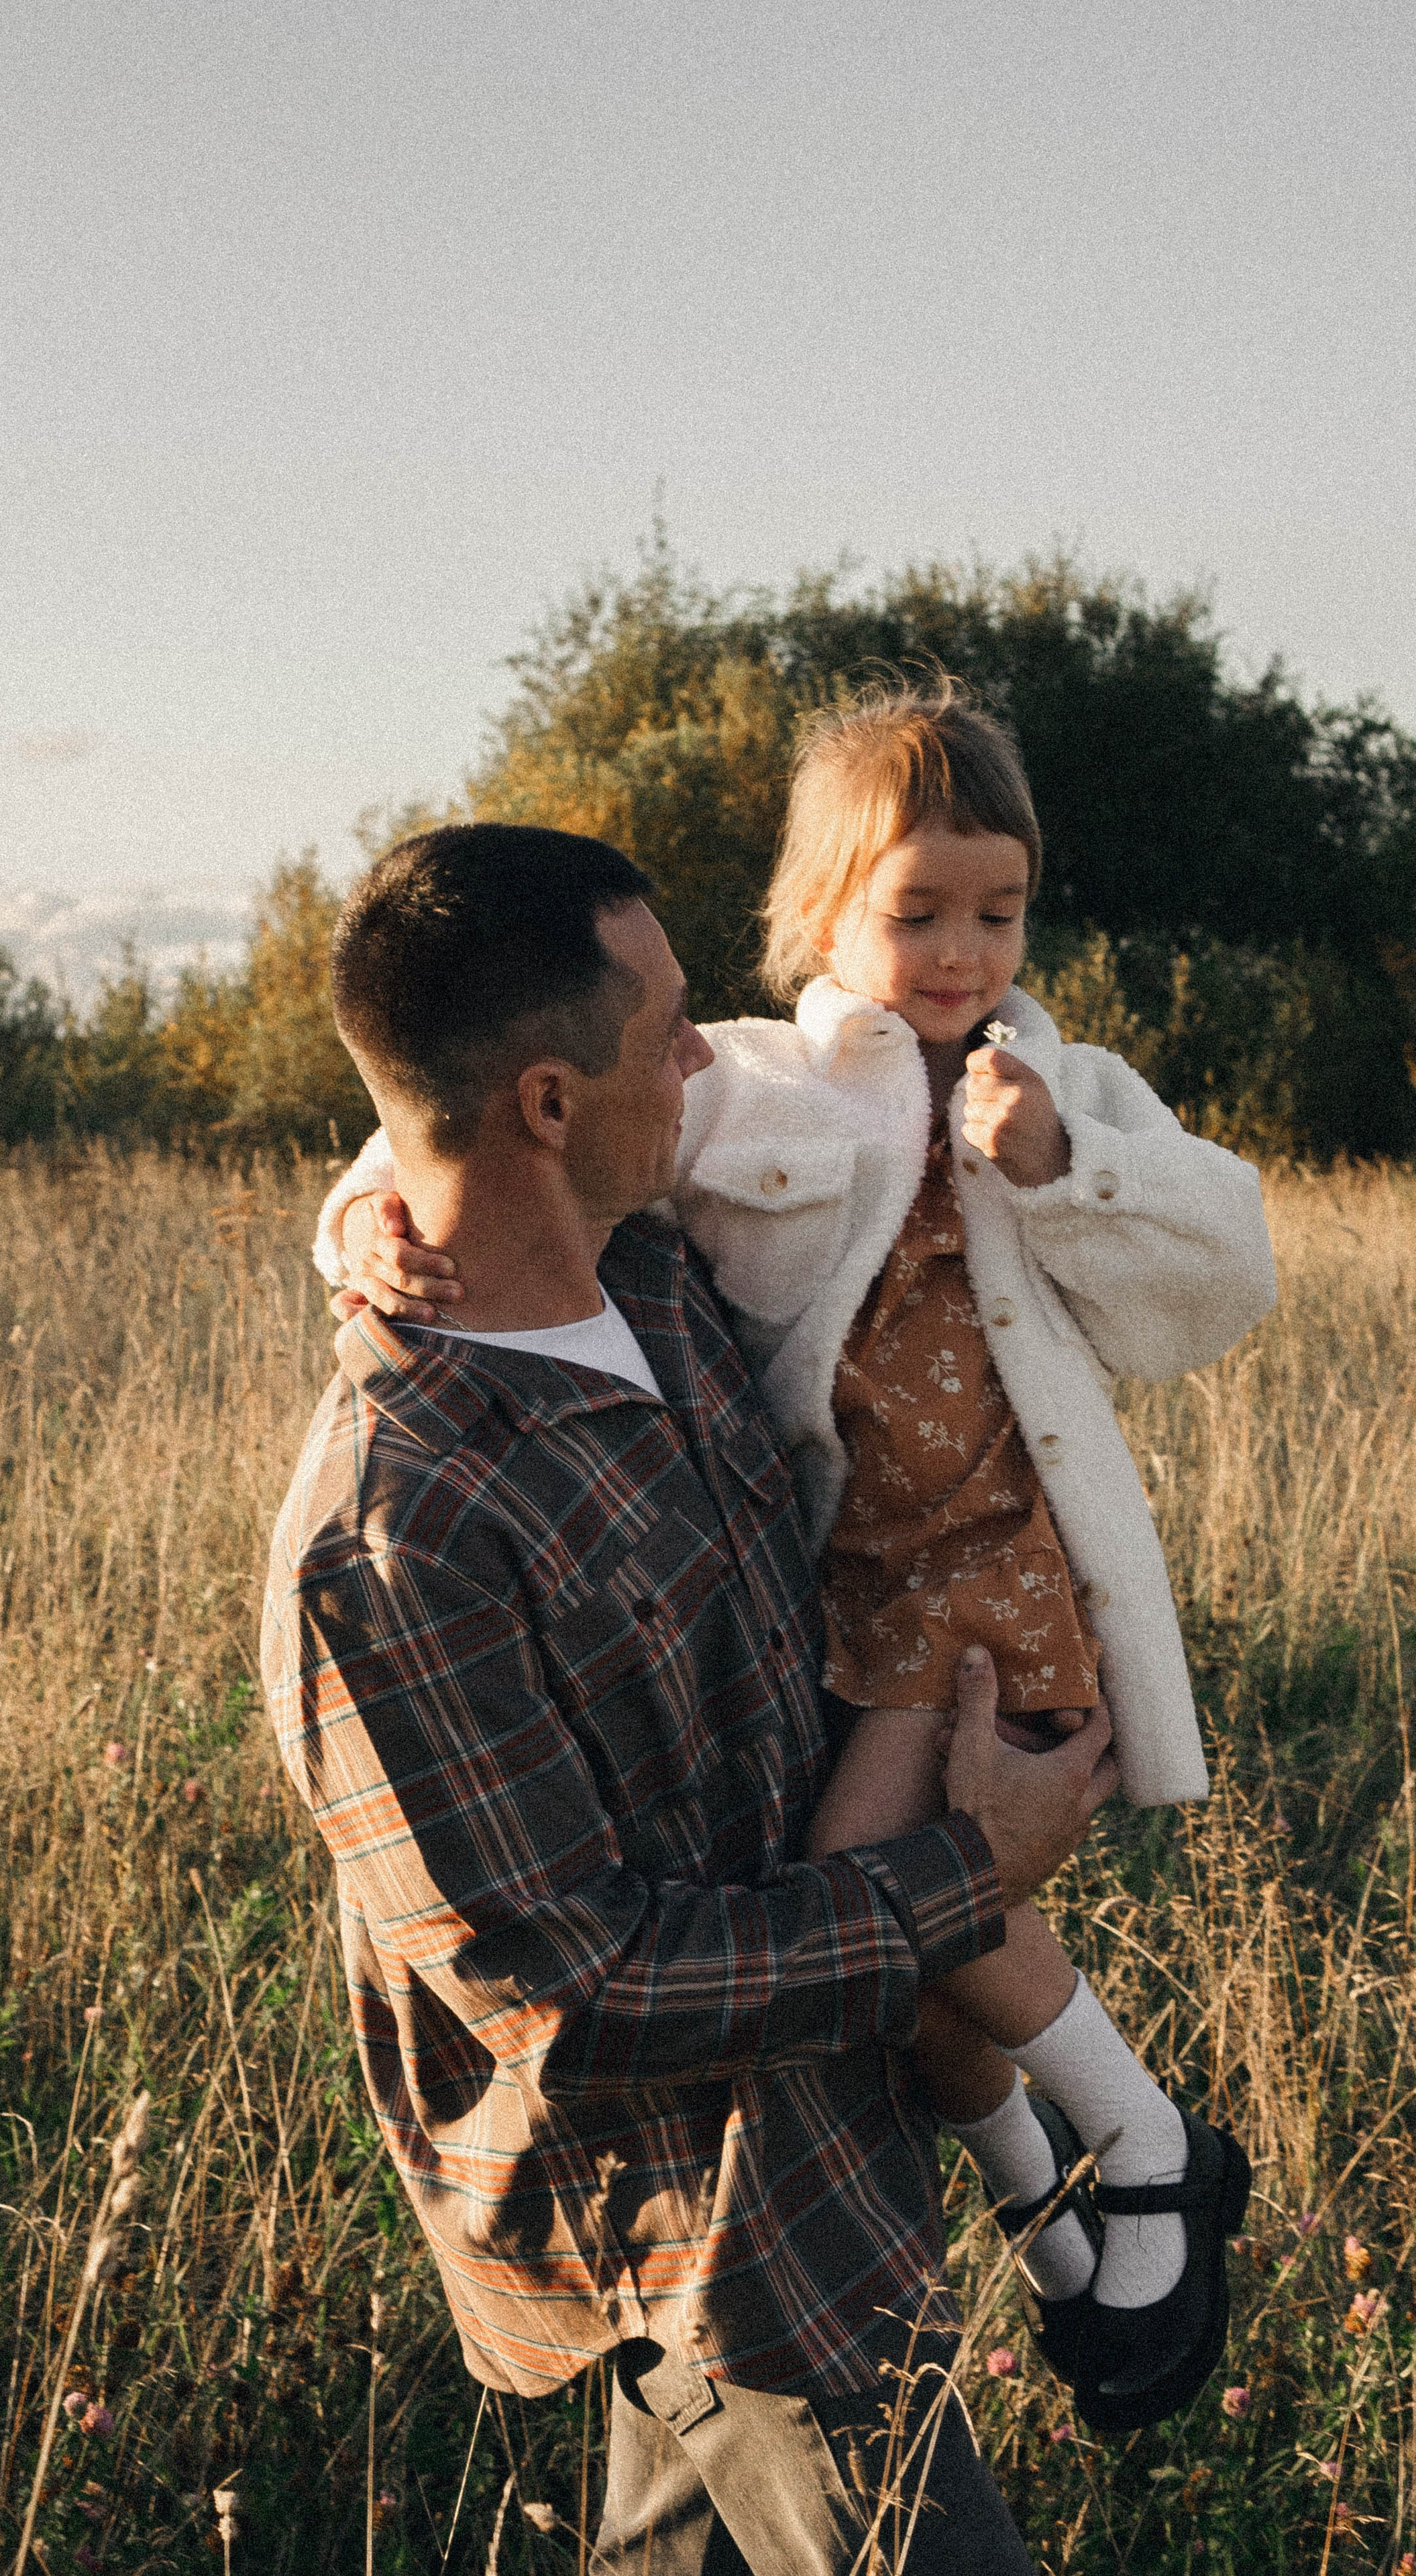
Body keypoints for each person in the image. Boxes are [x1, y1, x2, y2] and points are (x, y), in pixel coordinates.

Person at [321, 688, 1276, 2432]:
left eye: (1000, 911)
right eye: (917, 911)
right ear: (824, 913)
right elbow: (456, 1126)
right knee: (896, 1976)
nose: (962, 951)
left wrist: (1065, 1176)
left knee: (871, 1888)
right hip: (855, 1591)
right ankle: (1045, 2225)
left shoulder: (1062, 1086)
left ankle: (1145, 2145)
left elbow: (1227, 1273)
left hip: (992, 1579)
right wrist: (362, 1220)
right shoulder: (744, 1078)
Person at [266, 821, 1123, 2574]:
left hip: (842, 2114)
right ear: (549, 1106)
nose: (708, 1055)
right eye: (666, 1027)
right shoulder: (395, 1533)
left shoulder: (664, 1278)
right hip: (711, 2234)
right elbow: (572, 1996)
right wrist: (973, 1876)